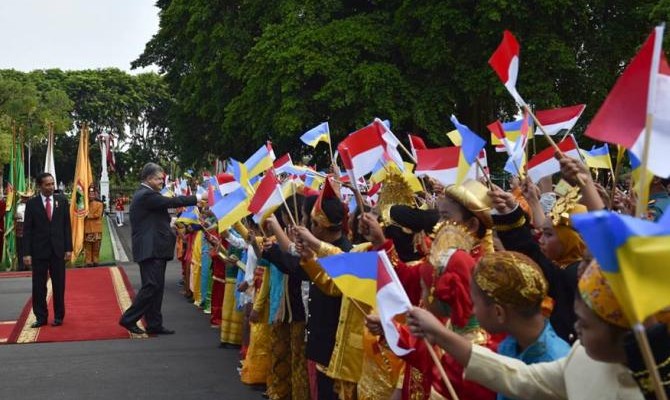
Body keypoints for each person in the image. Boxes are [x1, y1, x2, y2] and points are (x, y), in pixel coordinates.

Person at [406, 260, 649, 400]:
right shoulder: (581, 357)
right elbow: (519, 377)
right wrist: (439, 334)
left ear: (623, 333)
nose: (575, 328)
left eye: (585, 324)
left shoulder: (650, 388)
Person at [118, 162, 203, 335]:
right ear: (148, 179)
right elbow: (172, 201)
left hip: (157, 248)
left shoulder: (148, 194)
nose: (161, 183)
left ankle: (154, 324)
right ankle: (128, 319)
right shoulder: (146, 195)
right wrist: (197, 199)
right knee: (151, 286)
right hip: (151, 249)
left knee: (157, 288)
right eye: (158, 179)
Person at [22, 172, 72, 328]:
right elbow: (27, 230)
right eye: (47, 184)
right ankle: (41, 317)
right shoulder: (32, 204)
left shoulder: (62, 201)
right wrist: (26, 253)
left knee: (59, 285)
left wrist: (68, 248)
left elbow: (66, 227)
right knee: (38, 286)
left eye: (52, 184)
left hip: (58, 251)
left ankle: (58, 316)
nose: (51, 187)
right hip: (39, 252)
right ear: (40, 186)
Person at [84, 186, 104, 267]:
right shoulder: (84, 204)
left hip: (96, 229)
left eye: (93, 193)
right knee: (88, 246)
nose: (91, 195)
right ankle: (88, 261)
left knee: (96, 247)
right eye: (90, 193)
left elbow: (98, 215)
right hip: (87, 228)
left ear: (96, 194)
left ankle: (96, 260)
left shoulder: (100, 204)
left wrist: (88, 216)